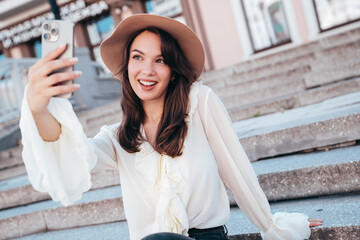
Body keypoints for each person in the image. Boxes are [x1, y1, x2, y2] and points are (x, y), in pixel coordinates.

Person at [19, 14, 322, 240]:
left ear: (174, 71)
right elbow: (73, 153)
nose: (147, 70)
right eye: (137, 58)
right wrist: (38, 106)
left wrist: (272, 226)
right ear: (127, 67)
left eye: (160, 60)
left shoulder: (199, 102)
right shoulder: (118, 137)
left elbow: (237, 169)